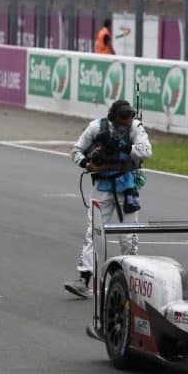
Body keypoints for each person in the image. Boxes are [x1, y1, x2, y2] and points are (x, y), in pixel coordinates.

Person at [65, 100, 152, 297]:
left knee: (128, 235)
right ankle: (84, 278)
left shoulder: (136, 127)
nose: (126, 122)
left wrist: (124, 147)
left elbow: (147, 151)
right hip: (102, 185)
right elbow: (76, 151)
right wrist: (87, 164)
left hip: (127, 186)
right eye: (122, 118)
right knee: (93, 230)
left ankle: (129, 280)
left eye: (129, 117)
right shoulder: (96, 127)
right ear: (113, 117)